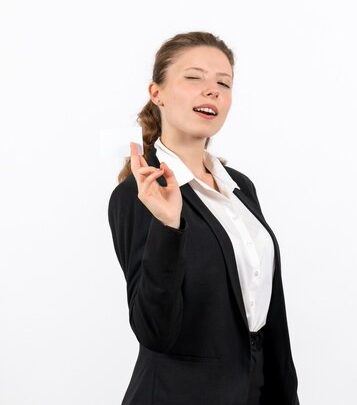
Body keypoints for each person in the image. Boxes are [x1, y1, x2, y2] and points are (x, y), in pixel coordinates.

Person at [107, 31, 299, 405]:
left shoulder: (240, 187)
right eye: (193, 78)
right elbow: (154, 331)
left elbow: (263, 311)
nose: (212, 91)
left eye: (223, 84)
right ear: (157, 93)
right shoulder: (139, 194)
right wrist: (168, 226)